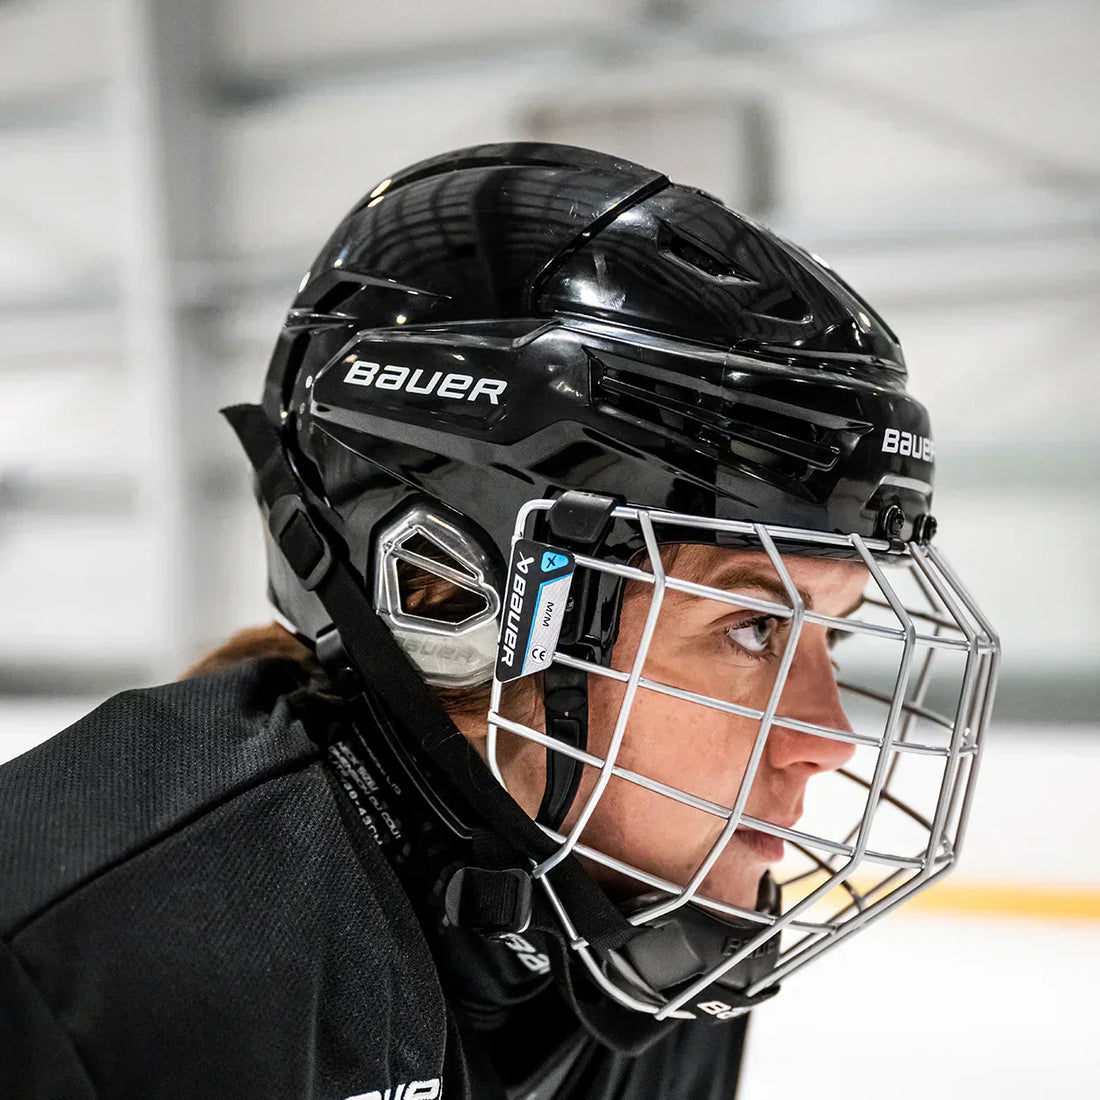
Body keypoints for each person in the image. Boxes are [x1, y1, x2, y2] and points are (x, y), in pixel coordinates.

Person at [0, 143, 998, 1099]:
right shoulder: (86, 964)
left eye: (835, 632)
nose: (824, 739)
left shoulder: (660, 942)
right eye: (751, 627)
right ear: (446, 591)